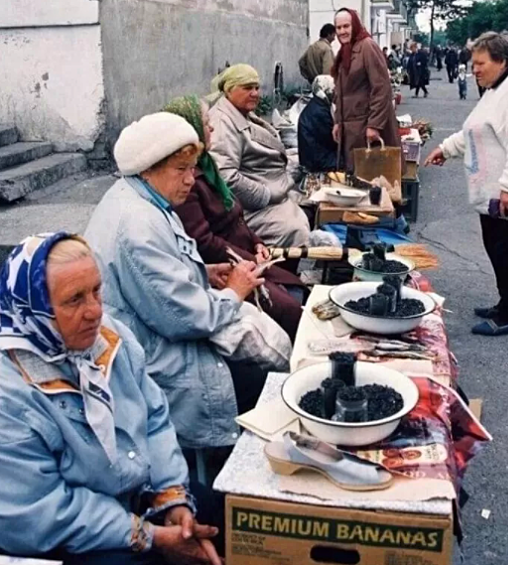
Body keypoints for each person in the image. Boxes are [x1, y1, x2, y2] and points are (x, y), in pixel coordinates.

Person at [0, 233, 223, 564]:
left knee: (218, 513)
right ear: (33, 309)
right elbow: (39, 512)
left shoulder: (108, 336)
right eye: (74, 300)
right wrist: (152, 537)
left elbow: (155, 418)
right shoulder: (10, 395)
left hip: (132, 492)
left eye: (95, 291)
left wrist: (172, 499)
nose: (94, 311)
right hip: (62, 534)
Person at [84, 112, 273, 451]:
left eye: (192, 168)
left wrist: (204, 273)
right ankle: (229, 475)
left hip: (148, 335)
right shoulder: (137, 224)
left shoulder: (140, 197)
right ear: (148, 168)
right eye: (181, 170)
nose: (190, 179)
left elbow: (161, 283)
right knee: (265, 379)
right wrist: (235, 292)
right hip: (150, 358)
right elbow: (187, 318)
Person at [163, 94, 303, 341]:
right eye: (206, 123)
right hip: (227, 267)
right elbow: (204, 243)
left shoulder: (207, 165)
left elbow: (236, 215)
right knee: (290, 307)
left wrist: (258, 242)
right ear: (190, 128)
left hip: (244, 253)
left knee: (298, 288)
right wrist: (252, 260)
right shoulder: (187, 183)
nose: (212, 127)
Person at [425, 32, 508, 336]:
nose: (473, 68)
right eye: (473, 62)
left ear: (502, 61)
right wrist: (446, 149)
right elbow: (474, 130)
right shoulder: (495, 90)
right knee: (496, 249)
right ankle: (504, 303)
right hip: (491, 193)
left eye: (480, 63)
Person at [209, 64, 311, 247]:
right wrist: (266, 195)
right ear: (229, 90)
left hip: (270, 193)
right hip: (247, 208)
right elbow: (225, 176)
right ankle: (277, 272)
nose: (255, 93)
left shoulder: (240, 113)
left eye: (257, 87)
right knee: (295, 230)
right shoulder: (222, 123)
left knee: (307, 211)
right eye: (248, 88)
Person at [331, 8, 401, 172]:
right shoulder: (344, 52)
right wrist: (337, 122)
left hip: (365, 126)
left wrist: (374, 125)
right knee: (358, 176)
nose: (342, 31)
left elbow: (382, 88)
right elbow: (341, 93)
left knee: (373, 177)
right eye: (338, 27)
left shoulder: (367, 46)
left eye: (346, 26)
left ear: (354, 25)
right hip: (351, 128)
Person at [298, 75, 338, 173]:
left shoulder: (318, 104)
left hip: (313, 157)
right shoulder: (319, 111)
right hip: (317, 161)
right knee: (352, 162)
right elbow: (332, 139)